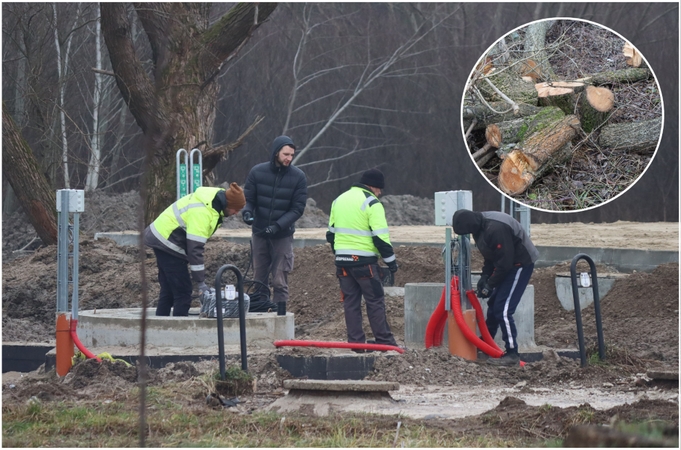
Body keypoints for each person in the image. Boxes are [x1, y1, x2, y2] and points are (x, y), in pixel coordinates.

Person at [452, 209, 539, 366]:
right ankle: (487, 344)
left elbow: (505, 262)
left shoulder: (496, 229)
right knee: (493, 305)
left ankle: (512, 354)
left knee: (503, 310)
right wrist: (485, 277)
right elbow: (491, 257)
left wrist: (490, 285)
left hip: (520, 264)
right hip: (506, 264)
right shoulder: (479, 230)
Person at [144, 183, 246, 316]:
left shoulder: (213, 200)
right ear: (227, 204)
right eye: (235, 209)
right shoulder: (203, 212)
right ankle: (179, 330)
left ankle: (160, 327)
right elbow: (195, 248)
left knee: (168, 289)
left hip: (162, 237)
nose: (236, 213)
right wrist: (201, 282)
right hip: (168, 242)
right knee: (183, 291)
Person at [326, 168, 399, 349]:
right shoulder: (372, 203)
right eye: (379, 189)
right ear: (372, 186)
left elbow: (331, 235)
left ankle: (356, 344)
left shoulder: (338, 200)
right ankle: (385, 343)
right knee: (374, 301)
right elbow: (380, 238)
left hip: (342, 263)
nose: (380, 193)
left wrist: (340, 254)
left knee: (351, 302)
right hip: (364, 262)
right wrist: (392, 264)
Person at [241, 135, 307, 315]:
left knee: (280, 279)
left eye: (292, 155)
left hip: (282, 235)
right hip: (260, 233)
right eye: (286, 154)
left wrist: (277, 226)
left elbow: (297, 209)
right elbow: (249, 199)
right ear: (276, 152)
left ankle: (280, 315)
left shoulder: (298, 177)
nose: (289, 158)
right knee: (259, 277)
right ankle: (260, 312)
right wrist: (247, 212)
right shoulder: (257, 172)